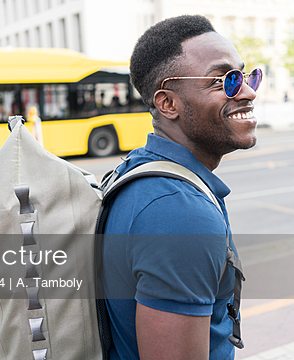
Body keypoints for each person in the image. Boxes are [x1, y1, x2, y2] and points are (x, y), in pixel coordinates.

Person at [102, 15, 261, 360]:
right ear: (168, 103)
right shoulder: (180, 213)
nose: (247, 91)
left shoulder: (138, 169)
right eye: (224, 81)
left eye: (246, 76)